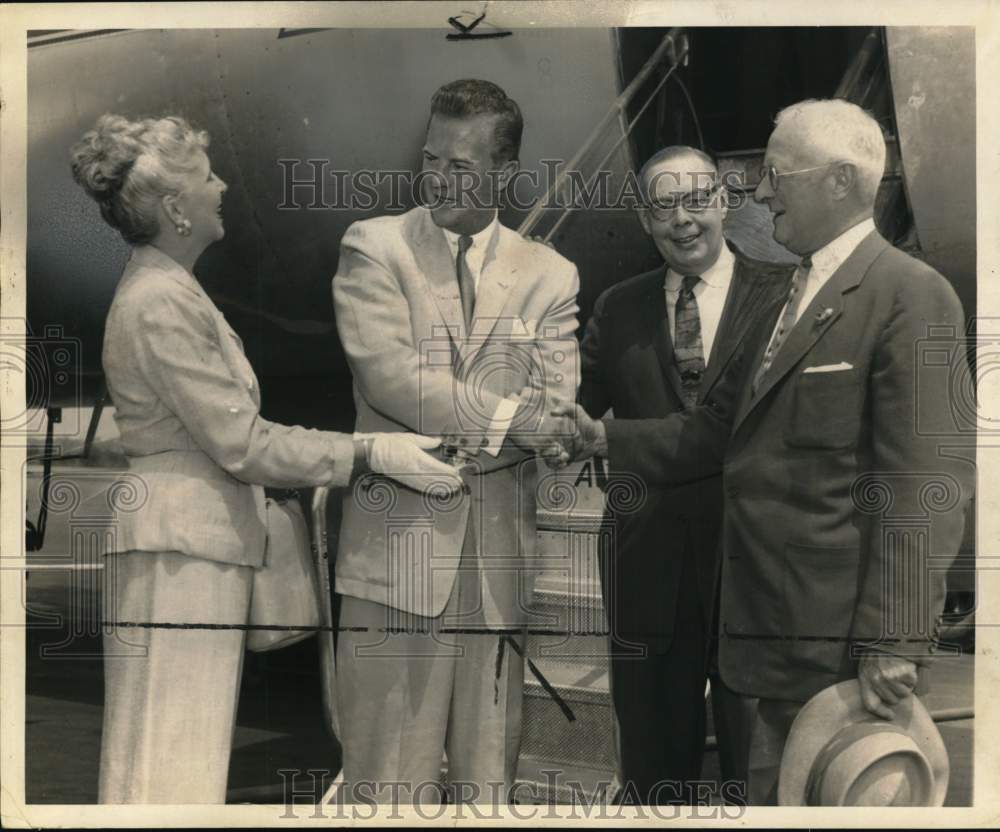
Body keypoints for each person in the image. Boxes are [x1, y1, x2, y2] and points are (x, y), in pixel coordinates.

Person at [555, 99, 974, 805]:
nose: (762, 191)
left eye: (778, 174)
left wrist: (897, 638)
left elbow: (927, 483)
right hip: (766, 631)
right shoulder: (798, 292)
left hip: (826, 635)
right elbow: (724, 428)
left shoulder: (911, 293)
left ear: (840, 182)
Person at [70, 113, 463, 804]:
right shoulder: (162, 301)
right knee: (172, 764)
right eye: (206, 176)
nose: (222, 186)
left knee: (165, 755)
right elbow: (241, 443)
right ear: (174, 210)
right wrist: (371, 450)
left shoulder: (168, 288)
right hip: (183, 553)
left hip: (189, 547)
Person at [332, 79, 580, 804]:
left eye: (460, 167)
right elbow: (391, 379)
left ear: (505, 172)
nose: (436, 178)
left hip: (498, 570)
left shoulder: (550, 273)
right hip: (396, 567)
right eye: (430, 158)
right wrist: (514, 422)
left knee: (488, 785)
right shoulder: (374, 247)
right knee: (385, 787)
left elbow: (556, 400)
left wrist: (533, 421)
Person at [579, 145, 794, 804]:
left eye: (697, 198)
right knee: (650, 756)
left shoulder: (785, 292)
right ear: (645, 219)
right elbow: (570, 399)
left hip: (752, 555)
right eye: (664, 205)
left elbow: (730, 429)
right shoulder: (618, 306)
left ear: (725, 200)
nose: (683, 219)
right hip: (646, 558)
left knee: (756, 761)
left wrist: (605, 438)